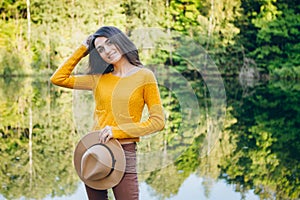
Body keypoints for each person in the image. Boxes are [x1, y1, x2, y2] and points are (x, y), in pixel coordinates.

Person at [50, 26, 165, 200]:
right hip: (96, 150)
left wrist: (116, 131)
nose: (108, 51)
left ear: (120, 40)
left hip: (125, 151)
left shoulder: (144, 76)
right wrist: (83, 48)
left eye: (110, 43)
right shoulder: (98, 79)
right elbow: (58, 78)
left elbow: (158, 121)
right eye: (101, 49)